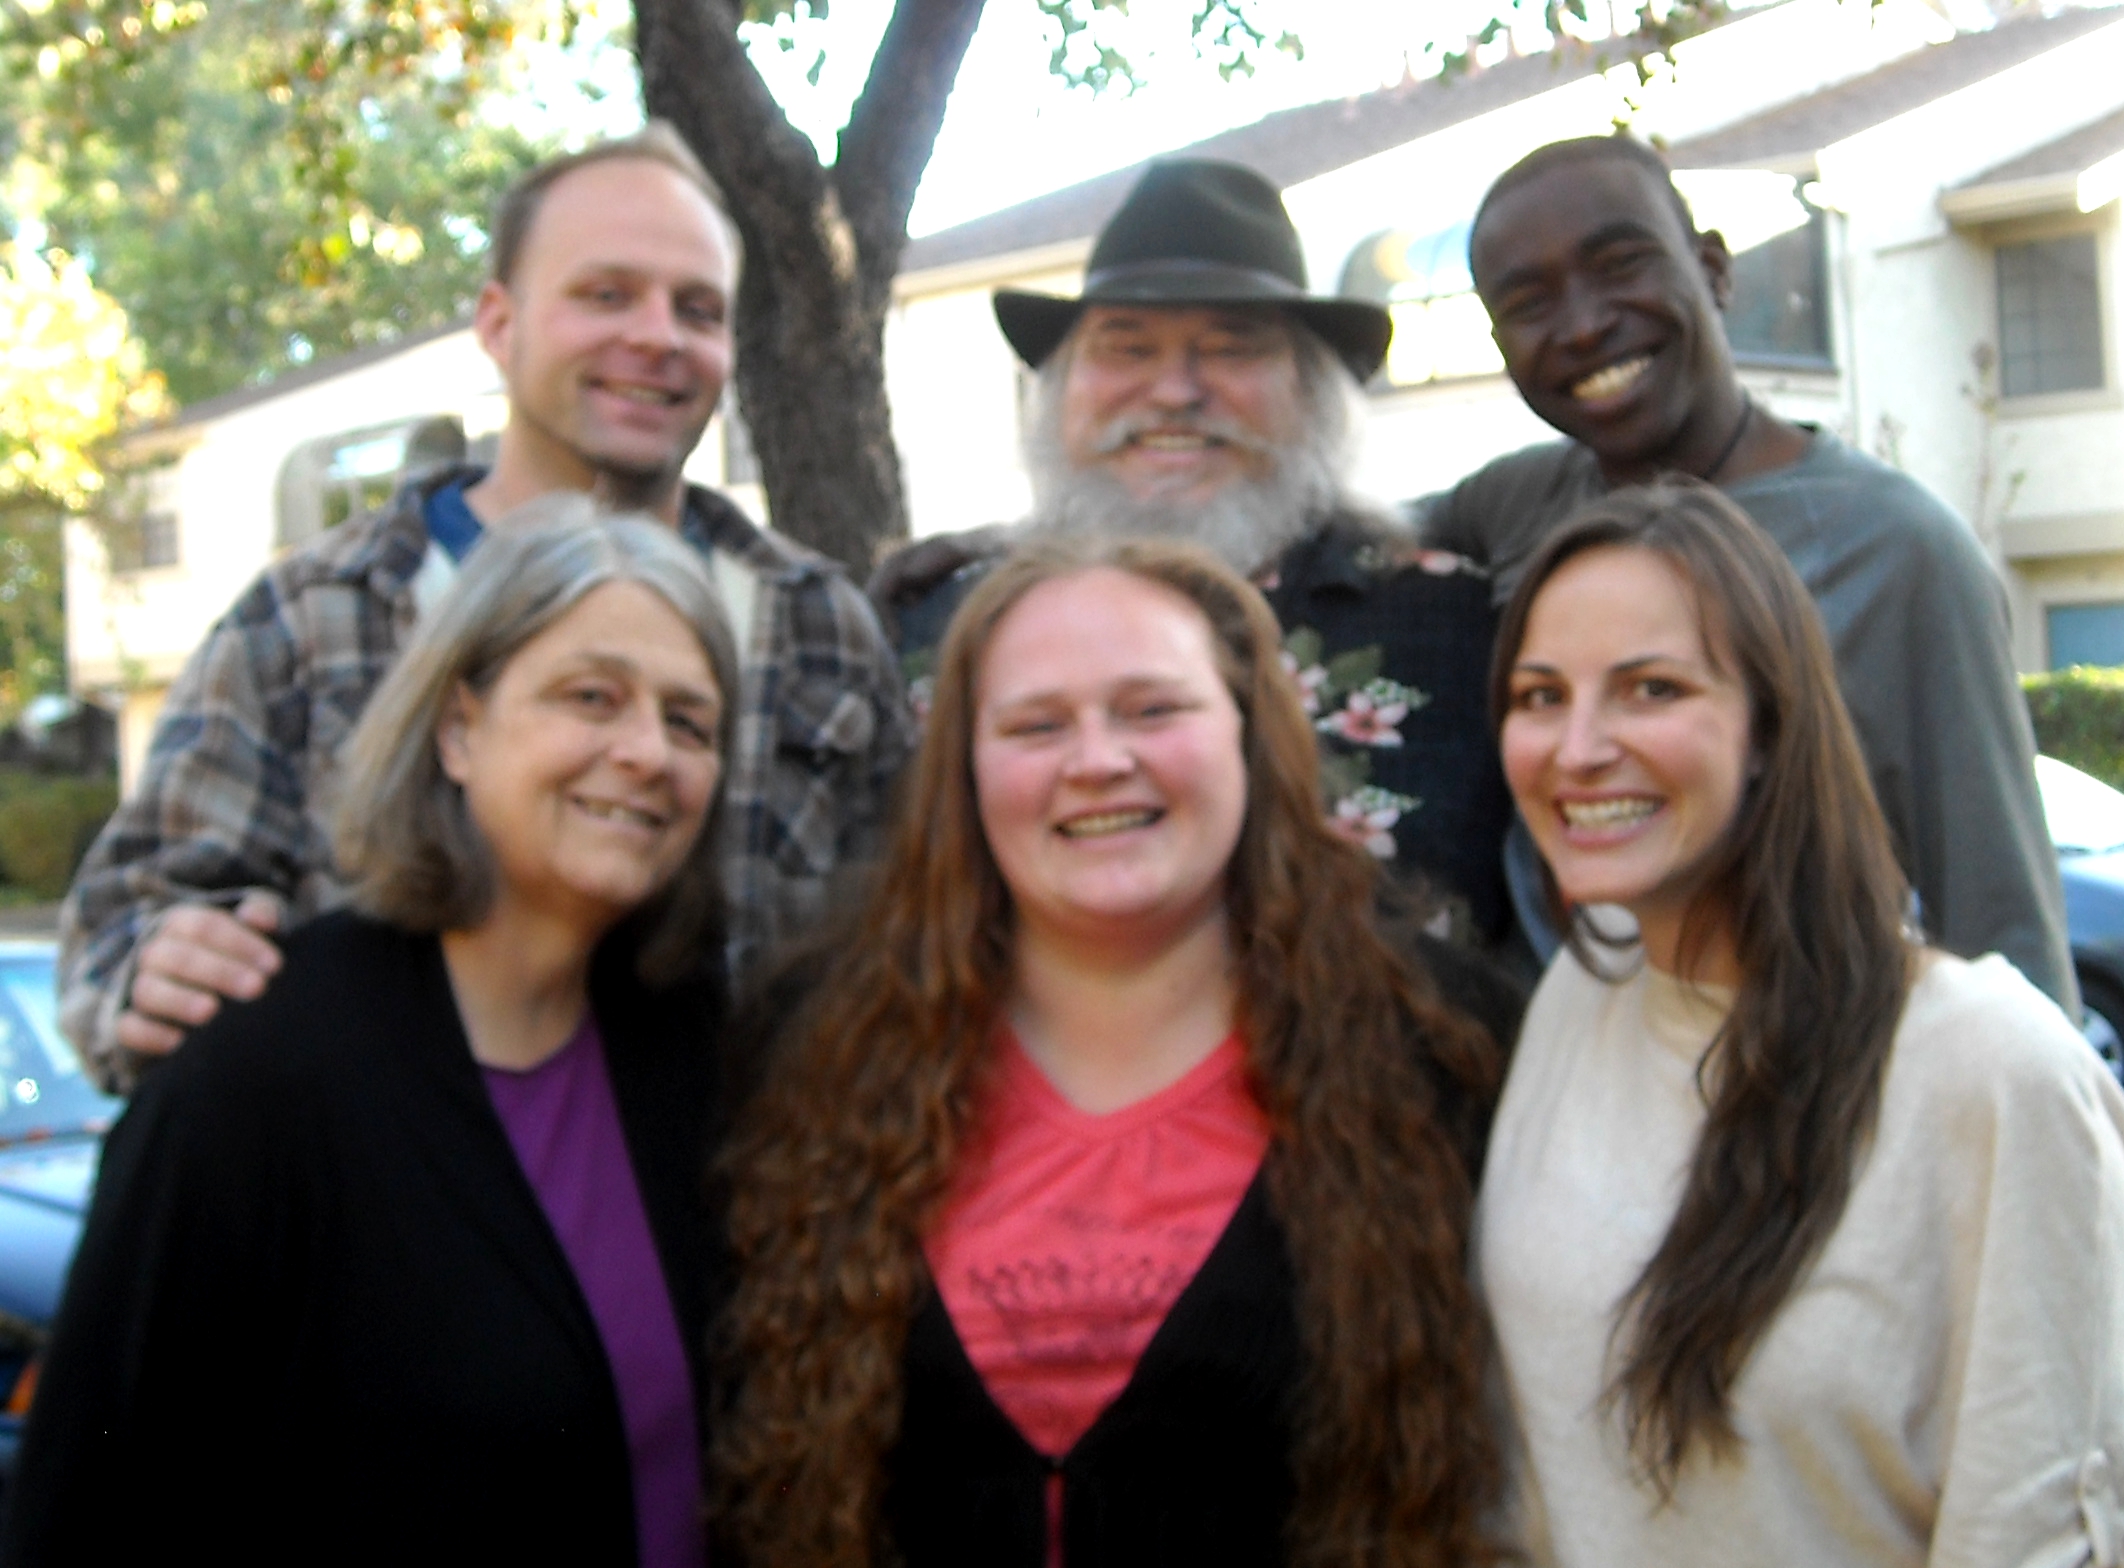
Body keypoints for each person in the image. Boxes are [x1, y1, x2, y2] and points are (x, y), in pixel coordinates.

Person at [59, 121, 913, 1090]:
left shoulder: (819, 626)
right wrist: (151, 966)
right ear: (499, 323)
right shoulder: (311, 619)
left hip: (744, 1218)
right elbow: (126, 918)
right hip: (386, 1220)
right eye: (605, 294)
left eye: (699, 308)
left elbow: (912, 941)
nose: (656, 336)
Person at [714, 536, 1509, 1567]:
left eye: (1152, 709)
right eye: (1036, 723)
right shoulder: (808, 1047)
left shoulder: (1442, 1048)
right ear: (963, 767)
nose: (1096, 759)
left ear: (1248, 732)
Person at [3, 511, 738, 1565]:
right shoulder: (254, 1080)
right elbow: (86, 1512)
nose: (645, 752)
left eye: (690, 721)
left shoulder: (692, 1050)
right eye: (592, 695)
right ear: (457, 727)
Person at [1477, 479, 2124, 1565]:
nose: (1577, 746)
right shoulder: (1578, 995)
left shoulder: (1992, 1069)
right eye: (1541, 695)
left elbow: (2034, 1522)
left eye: (1650, 687)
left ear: (1771, 723)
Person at [1416, 131, 2074, 1009]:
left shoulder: (1898, 550)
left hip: (1788, 1088)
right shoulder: (1513, 507)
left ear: (1716, 271)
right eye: (1529, 303)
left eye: (1620, 264)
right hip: (1554, 1078)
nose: (1581, 324)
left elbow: (2003, 921)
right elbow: (1325, 536)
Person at [874, 157, 1515, 953]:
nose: (1175, 391)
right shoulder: (929, 629)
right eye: (1127, 348)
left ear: (1311, 392)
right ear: (1062, 391)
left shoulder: (1463, 631)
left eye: (1231, 348)